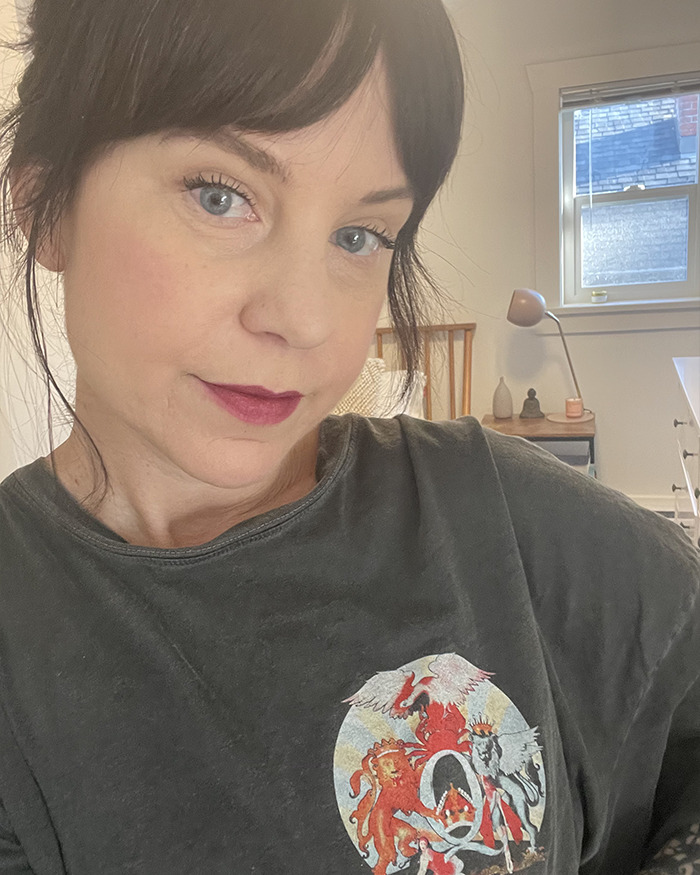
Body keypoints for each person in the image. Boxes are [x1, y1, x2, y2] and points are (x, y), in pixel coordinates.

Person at [0, 1, 697, 873]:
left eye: (359, 234)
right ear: (47, 202)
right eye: (222, 196)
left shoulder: (509, 522)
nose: (303, 317)